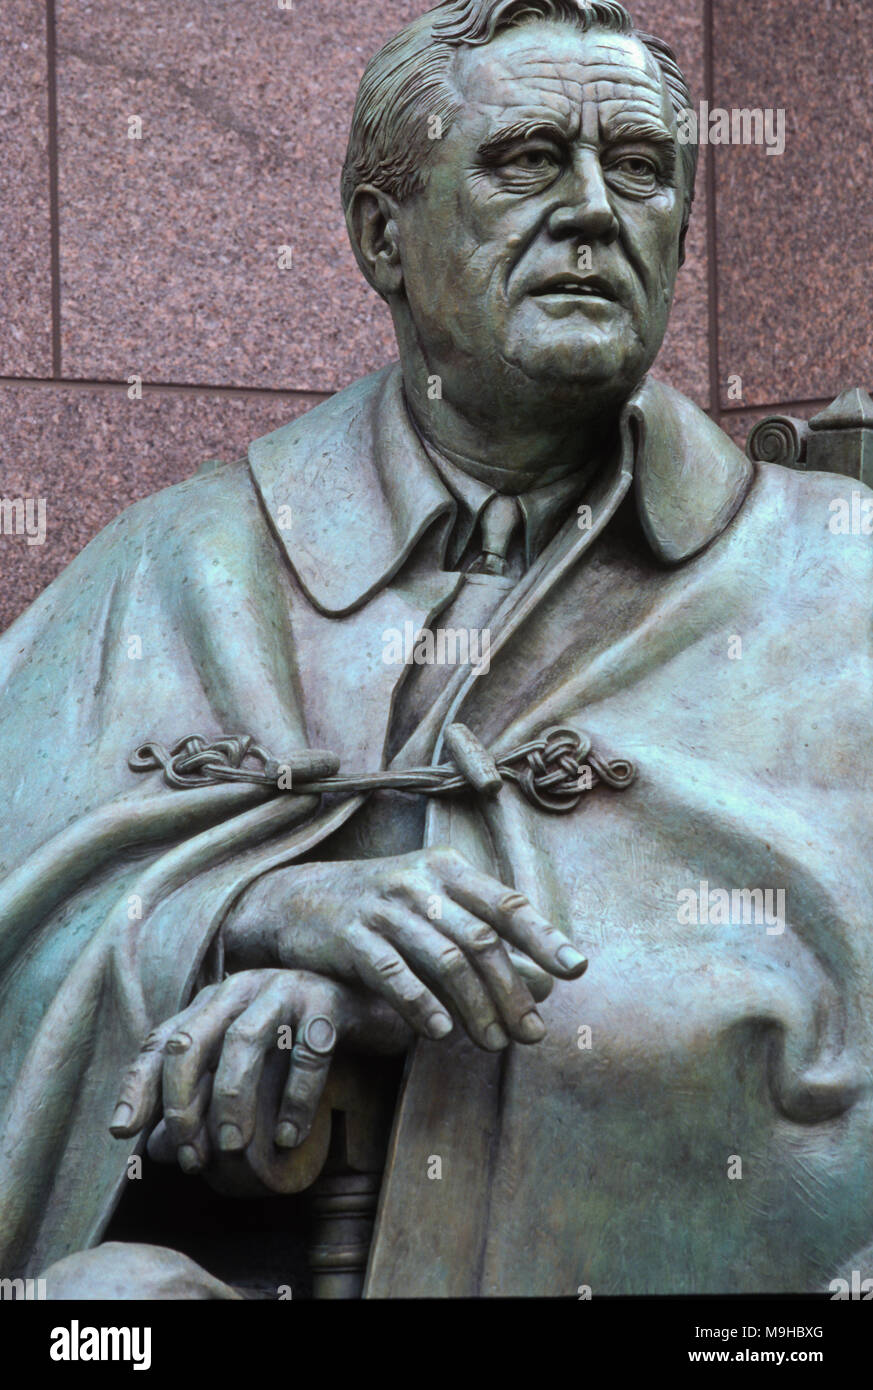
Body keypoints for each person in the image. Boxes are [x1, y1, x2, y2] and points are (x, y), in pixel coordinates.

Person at [2, 0, 871, 1297]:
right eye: (525, 159)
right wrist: (242, 916)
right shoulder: (176, 570)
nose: (591, 209)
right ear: (380, 235)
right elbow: (24, 903)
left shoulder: (838, 573)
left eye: (637, 168)